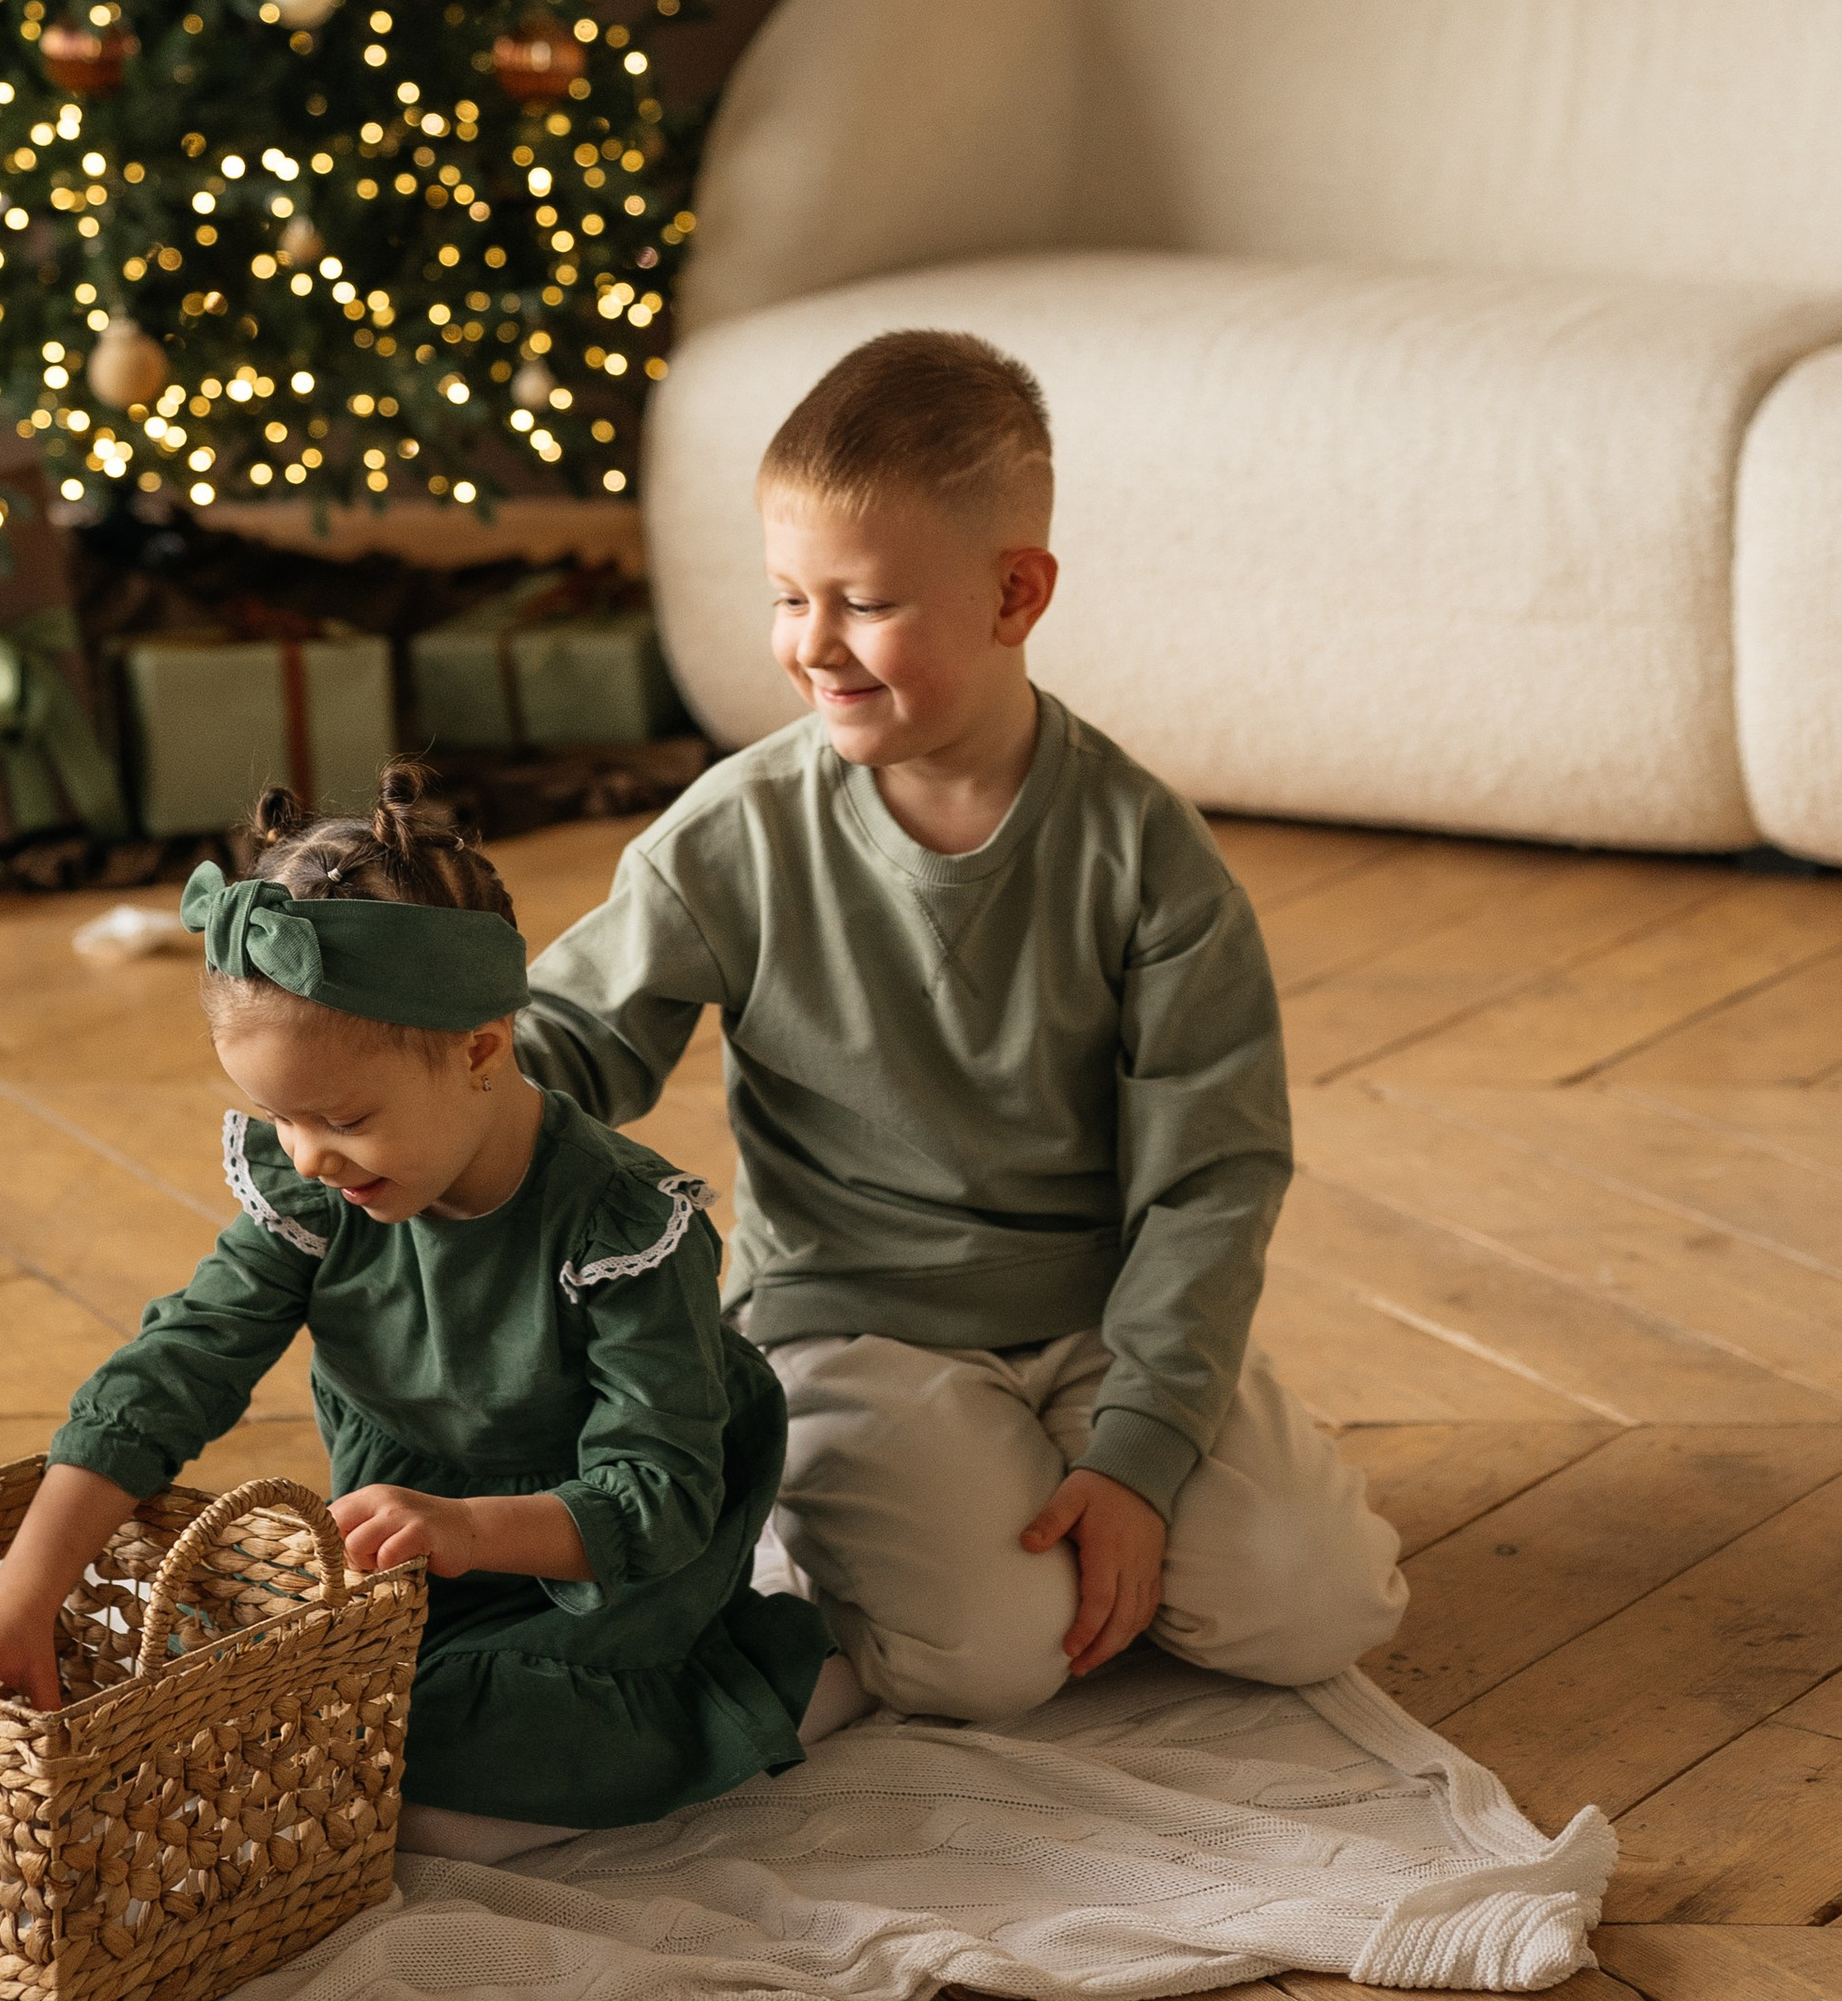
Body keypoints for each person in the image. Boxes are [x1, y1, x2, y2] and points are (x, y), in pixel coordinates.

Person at [513, 326, 1408, 1727]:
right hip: (851, 1321)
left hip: (1101, 1315)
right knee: (991, 1660)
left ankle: (1093, 1457)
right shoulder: (731, 836)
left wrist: (1140, 1454)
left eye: (862, 604)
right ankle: (836, 1516)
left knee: (1317, 1608)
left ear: (1015, 592)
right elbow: (566, 1044)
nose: (812, 645)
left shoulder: (1147, 855)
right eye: (786, 596)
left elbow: (1211, 1180)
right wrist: (424, 1068)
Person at [0, 764, 849, 1860]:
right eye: (278, 1116)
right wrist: (25, 1592)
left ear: (479, 1051)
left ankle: (794, 1677)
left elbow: (657, 1498)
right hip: (412, 1545)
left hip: (594, 1563)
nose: (307, 1152)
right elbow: (169, 1371)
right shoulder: (318, 1186)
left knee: (443, 1735)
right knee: (234, 1675)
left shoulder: (624, 1231)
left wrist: (463, 1530)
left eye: (343, 1115)